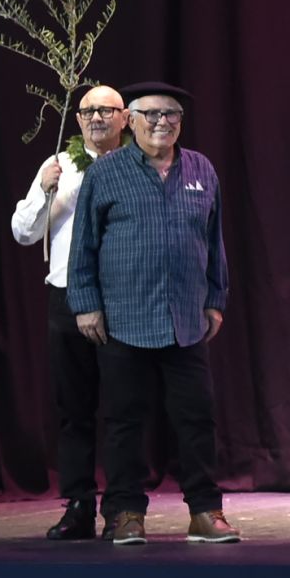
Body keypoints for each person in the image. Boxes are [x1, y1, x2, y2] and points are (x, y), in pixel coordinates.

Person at [67, 81, 237, 546]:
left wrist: (215, 299)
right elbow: (83, 245)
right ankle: (124, 513)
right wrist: (85, 304)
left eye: (172, 115)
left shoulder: (200, 168)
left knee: (198, 419)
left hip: (185, 318)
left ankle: (205, 512)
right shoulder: (106, 172)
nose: (163, 123)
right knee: (124, 421)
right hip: (124, 318)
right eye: (153, 115)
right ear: (132, 120)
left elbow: (214, 240)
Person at [10, 83, 127, 540]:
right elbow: (23, 233)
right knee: (73, 410)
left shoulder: (136, 164)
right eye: (88, 111)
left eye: (106, 110)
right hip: (66, 297)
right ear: (78, 120)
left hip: (121, 299)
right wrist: (44, 190)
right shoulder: (59, 166)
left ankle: (121, 508)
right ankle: (78, 505)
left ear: (124, 119)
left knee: (121, 409)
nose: (97, 118)